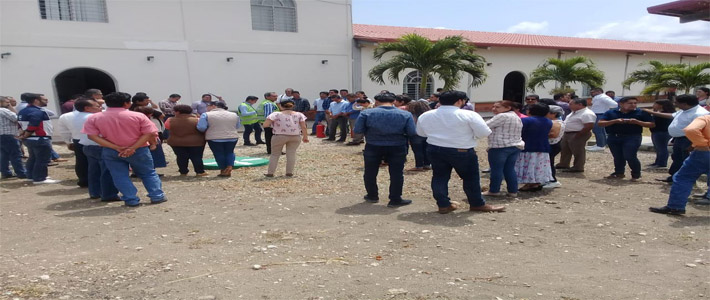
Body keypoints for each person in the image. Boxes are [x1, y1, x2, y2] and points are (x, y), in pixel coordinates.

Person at [416, 90, 505, 214]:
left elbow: (421, 133)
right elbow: (484, 133)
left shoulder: (426, 115)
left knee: (439, 177)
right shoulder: (469, 115)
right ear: (459, 101)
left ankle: (443, 205)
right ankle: (477, 204)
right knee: (470, 178)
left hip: (435, 149)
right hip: (462, 150)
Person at [82, 92, 166, 206]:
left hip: (111, 150)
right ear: (126, 103)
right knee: (148, 173)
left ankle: (130, 199)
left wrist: (115, 147)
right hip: (139, 149)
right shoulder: (138, 116)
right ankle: (156, 196)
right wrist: (133, 147)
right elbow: (149, 133)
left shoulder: (95, 117)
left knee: (119, 175)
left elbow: (91, 136)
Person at [353, 92, 417, 208]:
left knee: (370, 171)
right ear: (393, 101)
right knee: (397, 173)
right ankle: (395, 198)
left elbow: (358, 130)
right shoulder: (405, 114)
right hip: (397, 146)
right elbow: (411, 132)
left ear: (377, 101)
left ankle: (372, 195)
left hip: (373, 145)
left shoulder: (366, 113)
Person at [649, 114, 710, 214]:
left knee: (683, 177)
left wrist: (701, 144)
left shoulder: (705, 118)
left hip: (704, 152)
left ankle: (676, 206)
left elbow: (691, 130)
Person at [645, 94, 709, 183]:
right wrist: (653, 113)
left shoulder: (700, 113)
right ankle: (674, 177)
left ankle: (686, 180)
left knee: (686, 160)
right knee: (677, 158)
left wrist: (693, 144)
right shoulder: (685, 110)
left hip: (688, 140)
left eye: (677, 103)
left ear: (685, 104)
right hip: (679, 139)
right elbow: (672, 115)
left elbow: (702, 130)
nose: (675, 104)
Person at [73, 98, 120, 201]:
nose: (100, 108)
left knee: (93, 171)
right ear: (87, 108)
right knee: (107, 171)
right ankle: (109, 194)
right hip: (98, 145)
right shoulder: (94, 117)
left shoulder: (74, 116)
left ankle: (95, 192)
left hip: (86, 145)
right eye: (97, 106)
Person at [597, 97, 654, 181]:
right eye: (630, 103)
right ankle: (619, 172)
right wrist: (615, 121)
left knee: (630, 155)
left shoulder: (641, 112)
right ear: (621, 104)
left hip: (632, 137)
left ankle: (636, 174)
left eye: (635, 103)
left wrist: (637, 122)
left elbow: (652, 124)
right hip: (614, 137)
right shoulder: (611, 112)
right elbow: (600, 123)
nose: (633, 105)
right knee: (617, 156)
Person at [483, 100, 524, 196]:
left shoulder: (502, 116)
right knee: (509, 169)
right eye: (493, 107)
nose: (494, 109)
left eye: (497, 107)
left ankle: (494, 190)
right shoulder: (515, 116)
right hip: (515, 145)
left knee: (496, 169)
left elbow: (484, 126)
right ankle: (513, 191)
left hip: (500, 146)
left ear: (508, 108)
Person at [17, 93, 59, 184]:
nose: (46, 100)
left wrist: (23, 135)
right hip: (40, 139)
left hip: (30, 139)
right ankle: (40, 178)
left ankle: (31, 176)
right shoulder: (37, 111)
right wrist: (27, 134)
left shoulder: (23, 111)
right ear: (36, 100)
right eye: (44, 99)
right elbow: (34, 125)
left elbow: (19, 124)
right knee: (42, 159)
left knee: (33, 158)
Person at [263, 99, 309, 177]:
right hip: (295, 136)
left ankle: (270, 173)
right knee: (291, 154)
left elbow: (265, 125)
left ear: (280, 105)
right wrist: (305, 136)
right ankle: (289, 172)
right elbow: (304, 127)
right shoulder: (299, 114)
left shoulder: (275, 114)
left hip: (279, 135)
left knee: (275, 154)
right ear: (293, 106)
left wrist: (274, 126)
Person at [515, 103, 553, 192]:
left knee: (528, 165)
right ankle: (537, 182)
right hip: (543, 146)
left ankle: (530, 183)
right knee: (539, 166)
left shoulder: (526, 121)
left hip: (528, 146)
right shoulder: (548, 121)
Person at [197, 101, 240, 177]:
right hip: (232, 136)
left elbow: (201, 127)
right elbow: (237, 126)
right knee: (230, 152)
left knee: (219, 153)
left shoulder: (206, 114)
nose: (207, 108)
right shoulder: (234, 114)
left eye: (208, 106)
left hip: (214, 137)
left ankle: (223, 169)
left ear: (213, 106)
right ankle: (230, 166)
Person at [165, 105, 208, 177]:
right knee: (196, 157)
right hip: (196, 142)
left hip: (176, 142)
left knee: (181, 157)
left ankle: (183, 172)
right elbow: (202, 128)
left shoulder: (170, 120)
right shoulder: (197, 120)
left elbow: (167, 127)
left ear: (177, 112)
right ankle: (200, 172)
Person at [556, 98, 596, 173]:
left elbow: (589, 125)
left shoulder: (587, 113)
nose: (569, 105)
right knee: (565, 150)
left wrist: (579, 135)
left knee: (578, 151)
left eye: (571, 104)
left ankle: (578, 167)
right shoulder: (574, 112)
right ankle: (564, 164)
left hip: (578, 133)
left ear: (579, 105)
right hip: (568, 133)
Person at [56, 98, 88, 187]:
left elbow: (64, 131)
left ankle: (83, 180)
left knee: (81, 161)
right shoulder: (94, 115)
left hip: (77, 140)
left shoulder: (65, 116)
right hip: (94, 141)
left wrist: (68, 142)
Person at [135, 106, 167, 173]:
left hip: (137, 141)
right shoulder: (148, 120)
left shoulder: (134, 120)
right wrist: (154, 143)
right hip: (149, 140)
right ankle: (149, 172)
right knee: (152, 157)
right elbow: (151, 133)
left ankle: (137, 172)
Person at [0, 96, 26, 179]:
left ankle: (5, 172)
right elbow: (17, 118)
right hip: (9, 135)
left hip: (1, 135)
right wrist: (11, 108)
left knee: (3, 155)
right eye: (7, 103)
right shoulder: (4, 110)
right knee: (15, 155)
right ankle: (21, 173)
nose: (9, 104)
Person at [646, 100, 675, 168]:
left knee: (661, 148)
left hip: (662, 132)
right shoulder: (659, 113)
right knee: (658, 148)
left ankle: (661, 163)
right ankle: (658, 161)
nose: (654, 105)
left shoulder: (664, 114)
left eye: (655, 104)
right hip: (657, 132)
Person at [542, 105, 565, 189]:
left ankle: (553, 180)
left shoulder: (556, 123)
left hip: (553, 145)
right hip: (553, 144)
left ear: (554, 114)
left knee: (550, 163)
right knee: (548, 163)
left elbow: (553, 135)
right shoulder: (555, 122)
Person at [406, 100, 432, 171]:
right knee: (426, 150)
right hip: (427, 134)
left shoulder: (412, 115)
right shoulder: (429, 115)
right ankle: (427, 164)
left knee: (418, 151)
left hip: (416, 134)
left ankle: (419, 165)